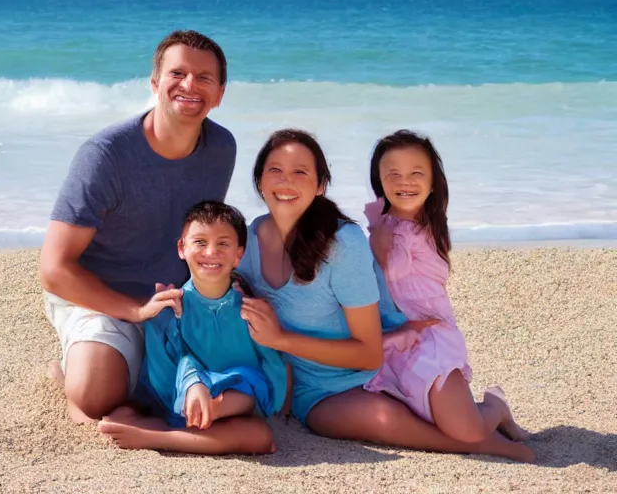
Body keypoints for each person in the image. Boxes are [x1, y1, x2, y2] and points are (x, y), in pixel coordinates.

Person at [235, 129, 535, 462]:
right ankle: (475, 442)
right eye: (275, 170)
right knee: (347, 422)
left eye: (300, 172)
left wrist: (281, 340)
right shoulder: (246, 244)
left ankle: (487, 419)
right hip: (317, 391)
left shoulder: (343, 243)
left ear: (321, 185)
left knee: (463, 425)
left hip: (371, 366)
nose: (286, 181)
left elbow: (368, 355)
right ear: (259, 181)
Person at [39, 30, 236, 424]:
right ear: (155, 83)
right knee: (95, 396)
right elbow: (54, 270)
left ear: (219, 94)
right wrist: (134, 310)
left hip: (172, 300)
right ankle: (73, 366)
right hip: (98, 296)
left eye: (204, 78)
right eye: (177, 73)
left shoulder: (221, 148)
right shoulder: (105, 156)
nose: (189, 86)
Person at [363, 129, 531, 446]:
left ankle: (495, 405)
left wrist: (378, 244)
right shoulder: (385, 226)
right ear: (379, 180)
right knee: (427, 415)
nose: (404, 181)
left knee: (467, 431)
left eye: (416, 173)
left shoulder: (425, 229)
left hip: (431, 335)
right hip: (396, 332)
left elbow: (393, 273)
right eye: (393, 174)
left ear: (433, 180)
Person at [97, 201, 290, 454]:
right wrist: (193, 382)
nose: (211, 252)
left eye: (223, 244)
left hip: (230, 407)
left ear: (238, 255)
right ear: (182, 248)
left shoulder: (251, 309)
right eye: (200, 242)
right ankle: (181, 421)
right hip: (182, 397)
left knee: (260, 436)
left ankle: (158, 437)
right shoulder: (171, 305)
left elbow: (269, 371)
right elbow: (166, 368)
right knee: (123, 410)